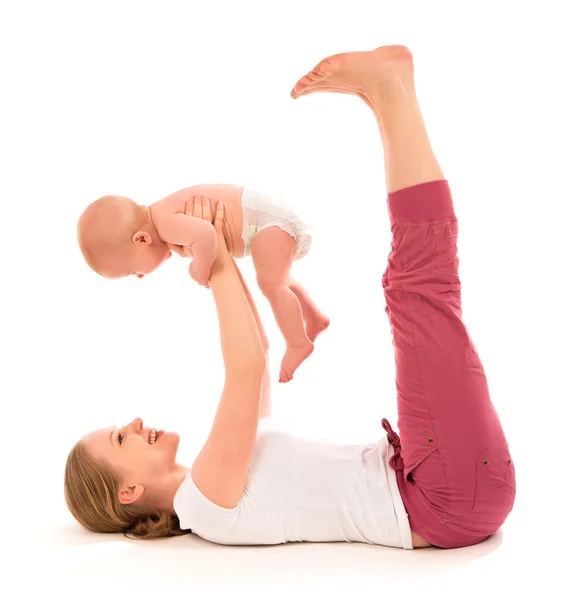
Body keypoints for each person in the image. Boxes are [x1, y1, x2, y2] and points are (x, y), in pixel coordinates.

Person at [65, 44, 515, 550]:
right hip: (444, 497)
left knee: (411, 289)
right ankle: (391, 92)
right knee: (414, 289)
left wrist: (221, 250)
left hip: (430, 474)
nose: (134, 422)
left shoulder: (223, 468)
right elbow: (247, 367)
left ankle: (384, 93)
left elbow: (257, 346)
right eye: (120, 438)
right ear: (129, 491)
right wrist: (210, 260)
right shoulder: (204, 503)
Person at [77, 184, 326, 382]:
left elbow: (206, 235)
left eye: (133, 271)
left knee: (272, 285)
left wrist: (200, 267)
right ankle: (314, 319)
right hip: (269, 223)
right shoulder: (163, 214)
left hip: (271, 225)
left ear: (141, 240)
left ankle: (297, 342)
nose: (140, 276)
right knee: (281, 281)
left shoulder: (164, 222)